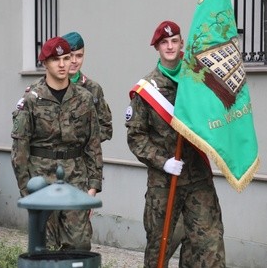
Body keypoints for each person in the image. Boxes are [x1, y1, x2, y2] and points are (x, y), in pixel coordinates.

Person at [125, 21, 225, 267]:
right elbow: (136, 136)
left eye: (174, 41)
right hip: (164, 182)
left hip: (198, 179)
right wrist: (163, 162)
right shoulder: (147, 89)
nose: (170, 46)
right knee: (160, 247)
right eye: (164, 42)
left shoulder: (197, 80)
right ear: (157, 47)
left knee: (208, 245)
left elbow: (215, 115)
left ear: (182, 44)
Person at [11, 37, 103, 250]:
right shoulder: (32, 100)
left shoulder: (84, 98)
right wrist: (27, 190)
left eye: (66, 58)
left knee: (79, 245)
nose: (63, 65)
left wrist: (93, 185)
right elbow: (20, 148)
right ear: (44, 63)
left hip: (76, 179)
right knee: (45, 247)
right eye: (56, 60)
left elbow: (93, 143)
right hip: (41, 181)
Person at [62, 31, 113, 142]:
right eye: (70, 56)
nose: (74, 61)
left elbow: (106, 127)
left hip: (82, 157)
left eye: (79, 56)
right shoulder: (45, 89)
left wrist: (83, 142)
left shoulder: (93, 89)